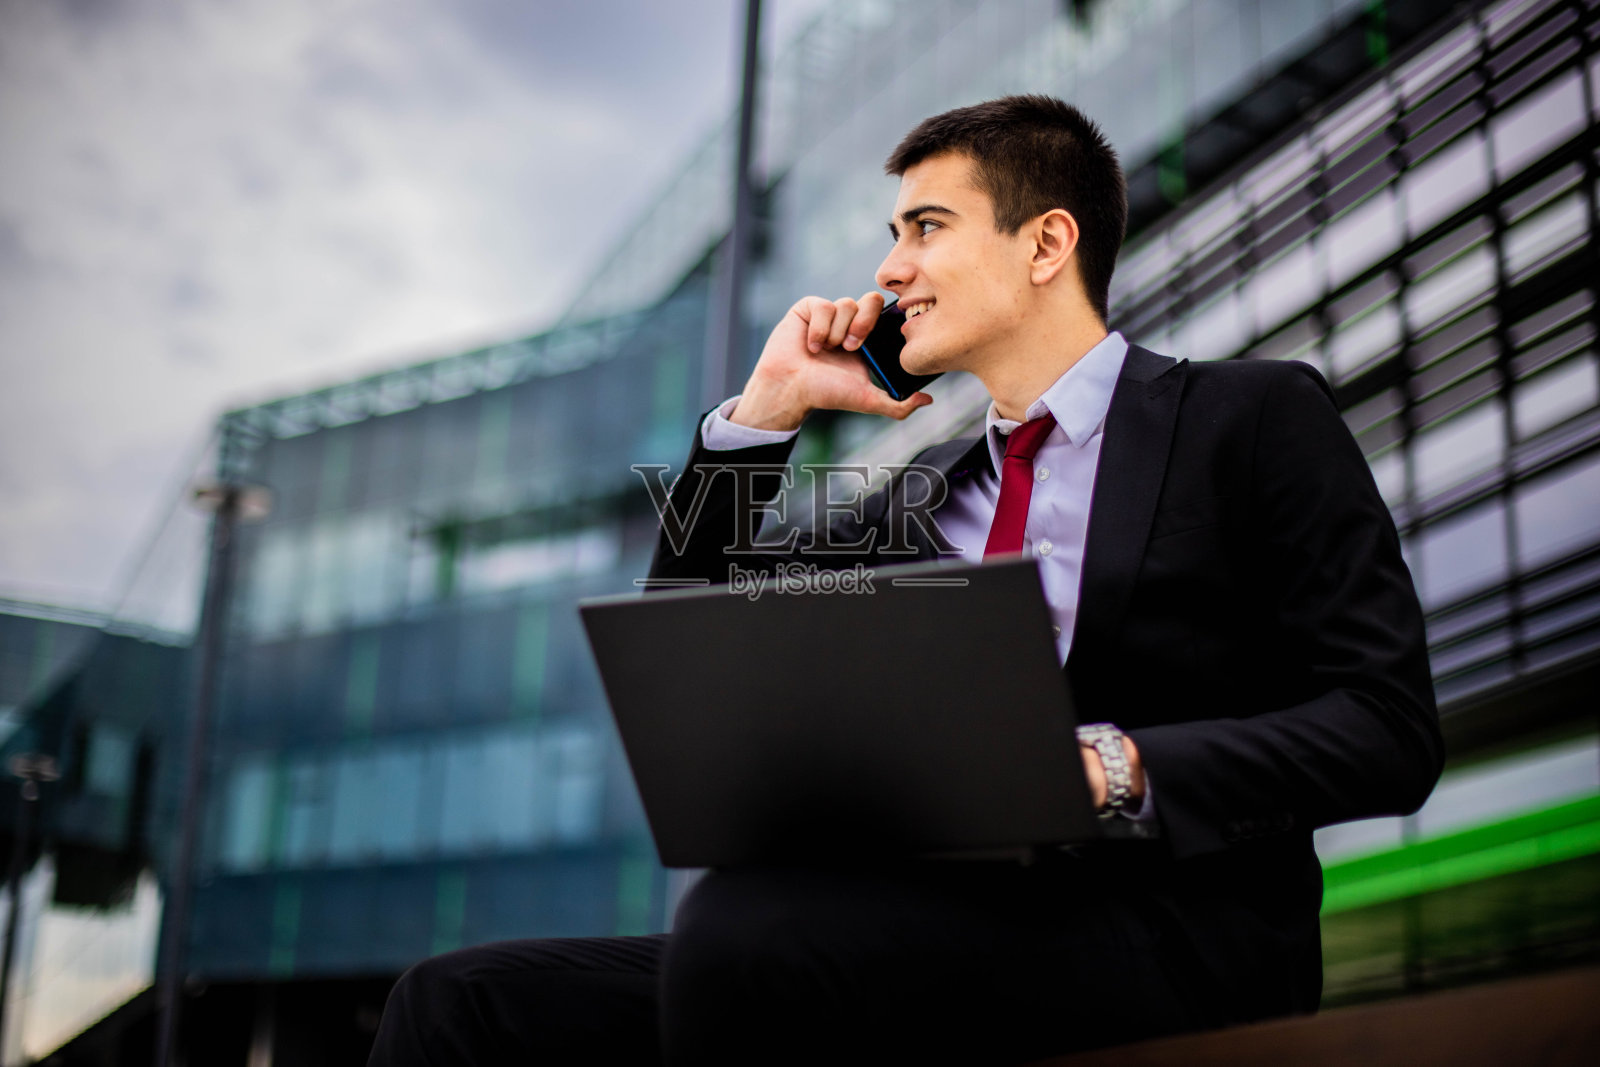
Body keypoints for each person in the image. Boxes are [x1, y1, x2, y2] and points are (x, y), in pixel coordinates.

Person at [369, 95, 1442, 1066]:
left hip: (1164, 937)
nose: (888, 269)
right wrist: (765, 414)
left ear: (1045, 244)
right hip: (905, 923)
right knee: (461, 1001)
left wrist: (1108, 766)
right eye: (892, 236)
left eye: (925, 227)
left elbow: (1386, 725)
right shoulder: (922, 494)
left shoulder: (1247, 417)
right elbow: (683, 643)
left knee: (753, 928)